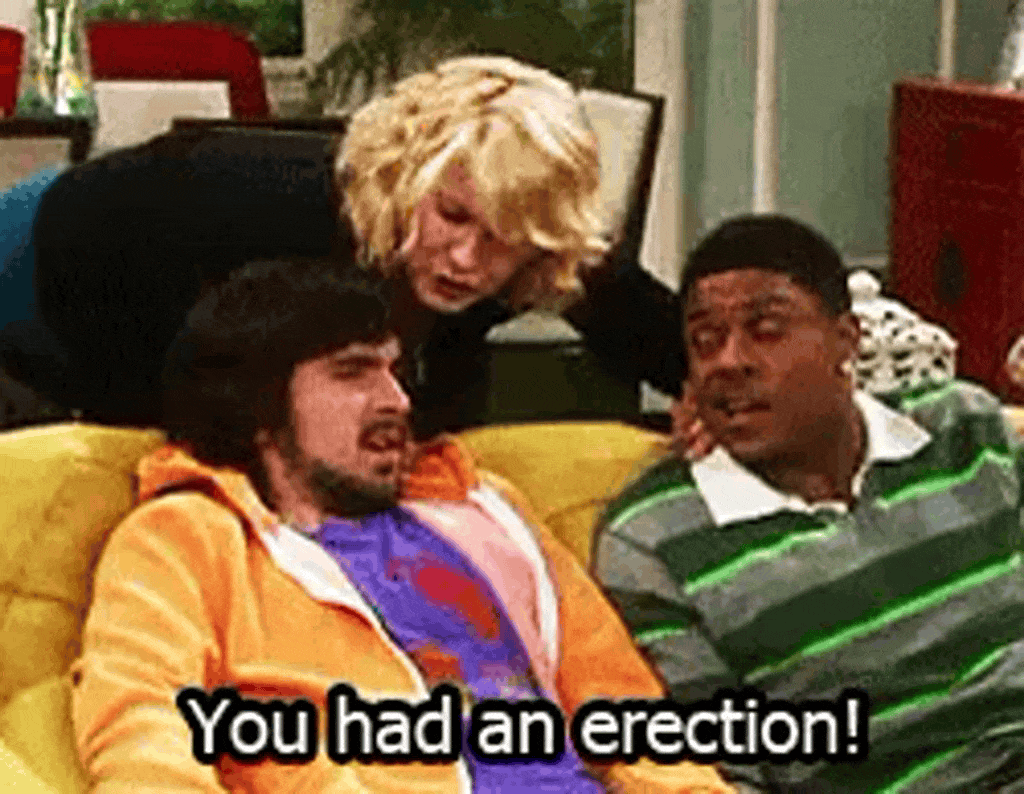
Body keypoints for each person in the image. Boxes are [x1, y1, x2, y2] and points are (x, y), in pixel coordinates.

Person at [71, 255, 731, 793]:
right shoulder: (188, 536)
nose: (397, 400)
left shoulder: (484, 510)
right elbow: (143, 725)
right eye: (353, 373)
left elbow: (628, 714)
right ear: (258, 409)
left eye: (396, 371)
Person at [11, 55, 680, 434]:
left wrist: (711, 400)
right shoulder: (290, 226)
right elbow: (173, 407)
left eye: (504, 240)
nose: (466, 258)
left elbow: (669, 336)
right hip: (47, 262)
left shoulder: (540, 247)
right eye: (452, 216)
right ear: (407, 180)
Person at [592, 214, 1024, 792]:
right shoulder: (653, 535)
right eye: (705, 341)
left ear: (846, 339)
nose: (729, 360)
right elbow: (720, 769)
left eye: (766, 330)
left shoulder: (961, 427)